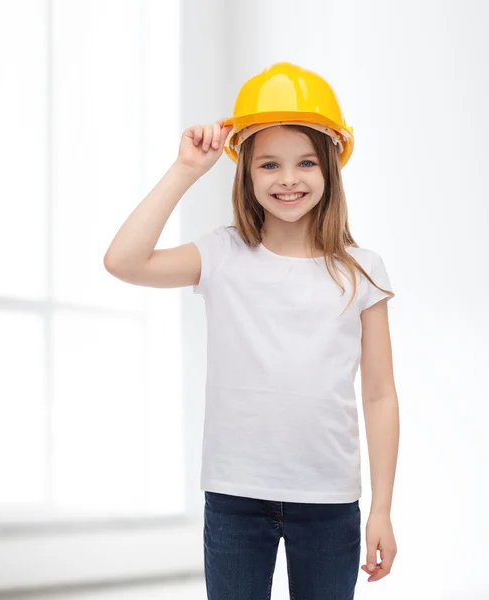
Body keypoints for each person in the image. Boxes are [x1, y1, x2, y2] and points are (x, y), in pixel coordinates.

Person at [104, 61, 399, 599]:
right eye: (269, 164)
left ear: (331, 168)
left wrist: (381, 508)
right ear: (246, 173)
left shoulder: (362, 269)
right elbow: (124, 261)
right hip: (236, 497)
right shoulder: (222, 253)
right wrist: (185, 170)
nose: (288, 179)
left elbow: (379, 395)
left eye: (306, 162)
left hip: (330, 501)